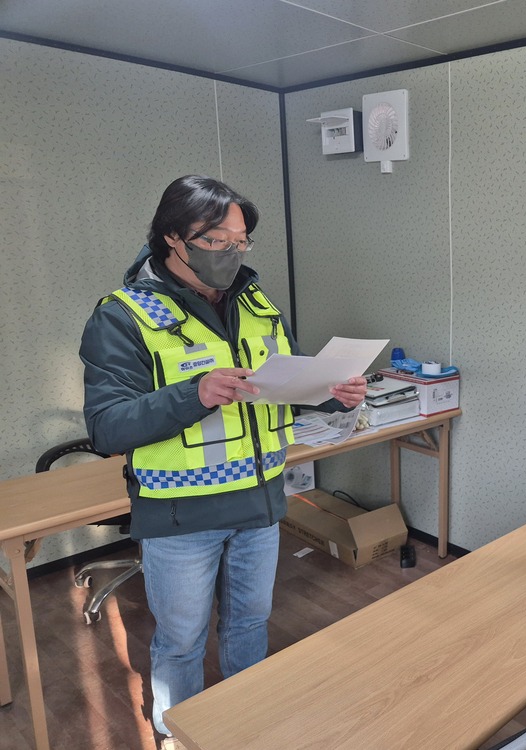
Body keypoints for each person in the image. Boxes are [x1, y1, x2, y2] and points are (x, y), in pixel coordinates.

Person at [79, 175, 367, 748]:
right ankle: (177, 734)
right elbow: (107, 427)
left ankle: (246, 722)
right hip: (181, 515)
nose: (231, 253)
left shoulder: (257, 304)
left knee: (250, 624)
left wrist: (335, 392)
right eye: (215, 240)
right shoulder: (123, 315)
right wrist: (196, 393)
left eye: (240, 241)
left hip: (260, 502)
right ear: (173, 238)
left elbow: (285, 386)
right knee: (182, 641)